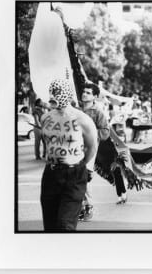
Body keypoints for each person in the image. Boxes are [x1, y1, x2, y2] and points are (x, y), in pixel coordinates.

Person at [40, 79, 98, 231]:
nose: (53, 96)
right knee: (50, 225)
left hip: (74, 175)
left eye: (57, 92)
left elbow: (92, 147)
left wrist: (80, 165)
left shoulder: (83, 120)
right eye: (52, 92)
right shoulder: (45, 118)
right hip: (51, 174)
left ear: (67, 94)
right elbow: (47, 143)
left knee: (65, 225)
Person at [81, 82, 110, 221]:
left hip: (89, 150)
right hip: (73, 149)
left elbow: (105, 132)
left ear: (95, 97)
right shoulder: (76, 109)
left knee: (84, 179)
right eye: (84, 91)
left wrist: (90, 132)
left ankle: (88, 206)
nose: (84, 94)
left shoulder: (98, 112)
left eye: (88, 92)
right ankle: (78, 207)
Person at [109, 115, 128, 204]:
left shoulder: (121, 134)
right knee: (117, 177)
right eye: (117, 125)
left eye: (120, 125)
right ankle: (120, 195)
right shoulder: (111, 135)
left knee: (120, 176)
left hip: (121, 158)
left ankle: (123, 193)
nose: (119, 127)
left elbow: (123, 146)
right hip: (113, 158)